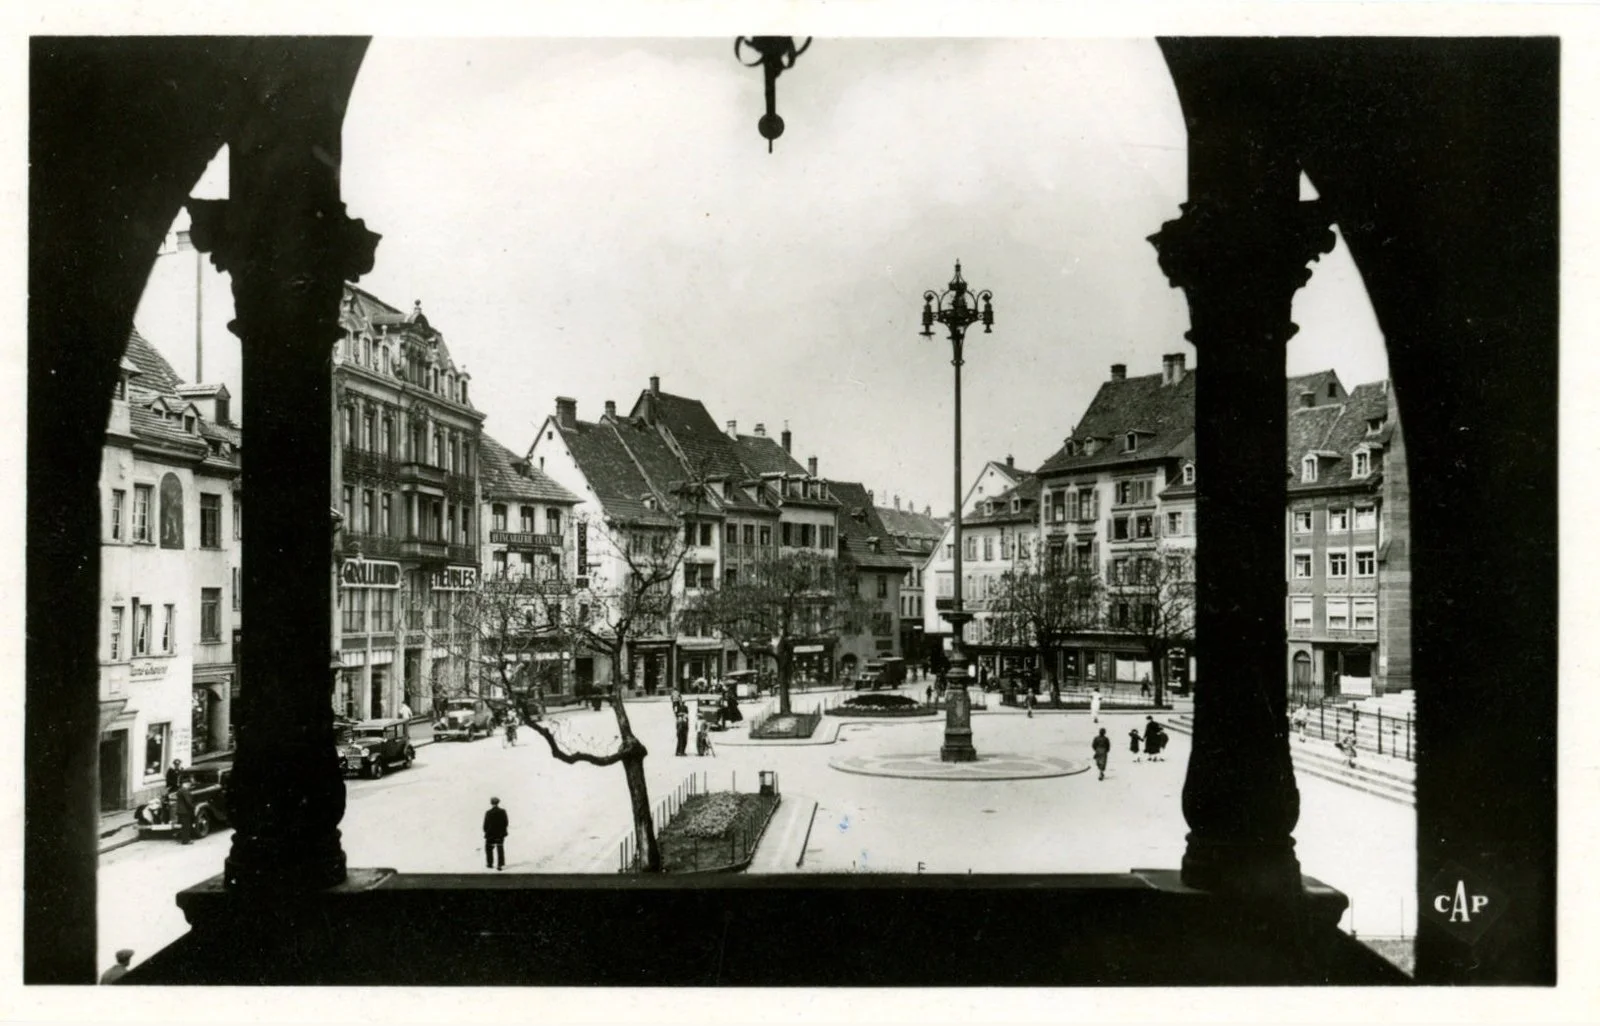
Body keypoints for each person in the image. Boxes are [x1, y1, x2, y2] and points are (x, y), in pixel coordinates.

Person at [483, 797, 508, 870]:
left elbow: (485, 824)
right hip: (500, 834)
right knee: (500, 848)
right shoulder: (503, 811)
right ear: (498, 802)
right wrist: (503, 831)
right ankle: (500, 865)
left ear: (491, 803)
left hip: (490, 834)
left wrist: (486, 831)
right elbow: (505, 823)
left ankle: (490, 864)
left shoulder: (488, 812)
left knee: (489, 848)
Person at [172, 778, 197, 844]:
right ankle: (186, 840)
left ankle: (185, 840)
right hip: (185, 811)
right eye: (188, 784)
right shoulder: (185, 791)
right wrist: (193, 807)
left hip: (181, 811)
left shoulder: (179, 790)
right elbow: (188, 801)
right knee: (186, 826)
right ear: (185, 784)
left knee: (184, 826)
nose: (189, 785)